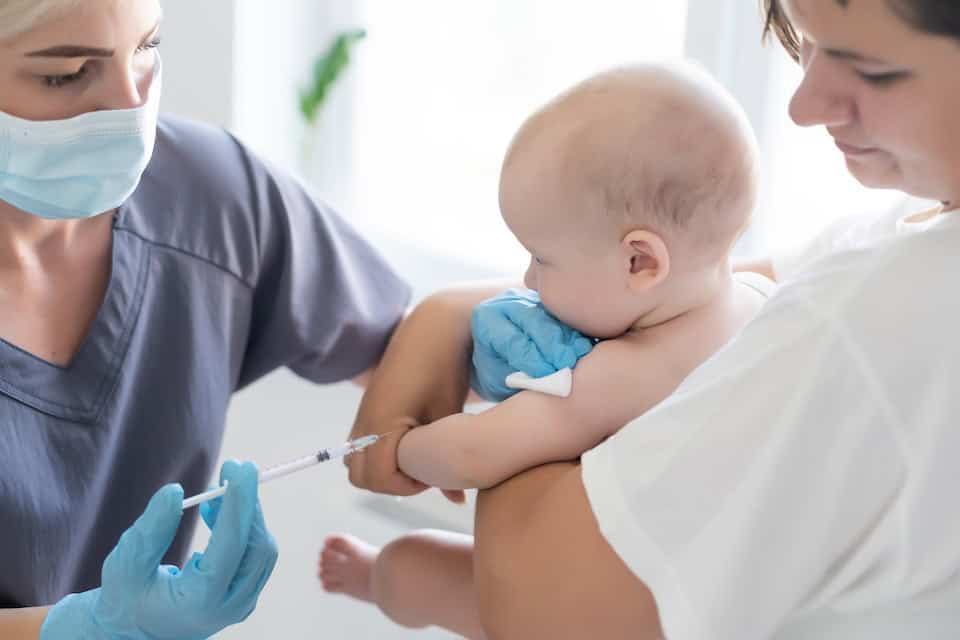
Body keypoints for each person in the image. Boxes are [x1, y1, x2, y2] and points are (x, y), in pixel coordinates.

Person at [347, 0, 960, 638]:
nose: (802, 107)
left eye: (872, 68)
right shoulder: (835, 260)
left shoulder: (892, 308)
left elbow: (549, 609)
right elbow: (637, 288)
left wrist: (411, 446)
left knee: (410, 570)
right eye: (806, 43)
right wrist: (447, 315)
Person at [0, 1, 506, 637]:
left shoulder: (203, 194)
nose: (130, 107)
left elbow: (402, 349)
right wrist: (80, 629)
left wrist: (456, 319)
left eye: (146, 48)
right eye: (67, 74)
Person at [324, 62, 773, 638]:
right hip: (699, 586)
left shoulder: (629, 372)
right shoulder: (759, 301)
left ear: (640, 262)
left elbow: (479, 452)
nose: (527, 280)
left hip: (601, 615)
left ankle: (372, 576)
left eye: (542, 257)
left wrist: (404, 449)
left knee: (412, 567)